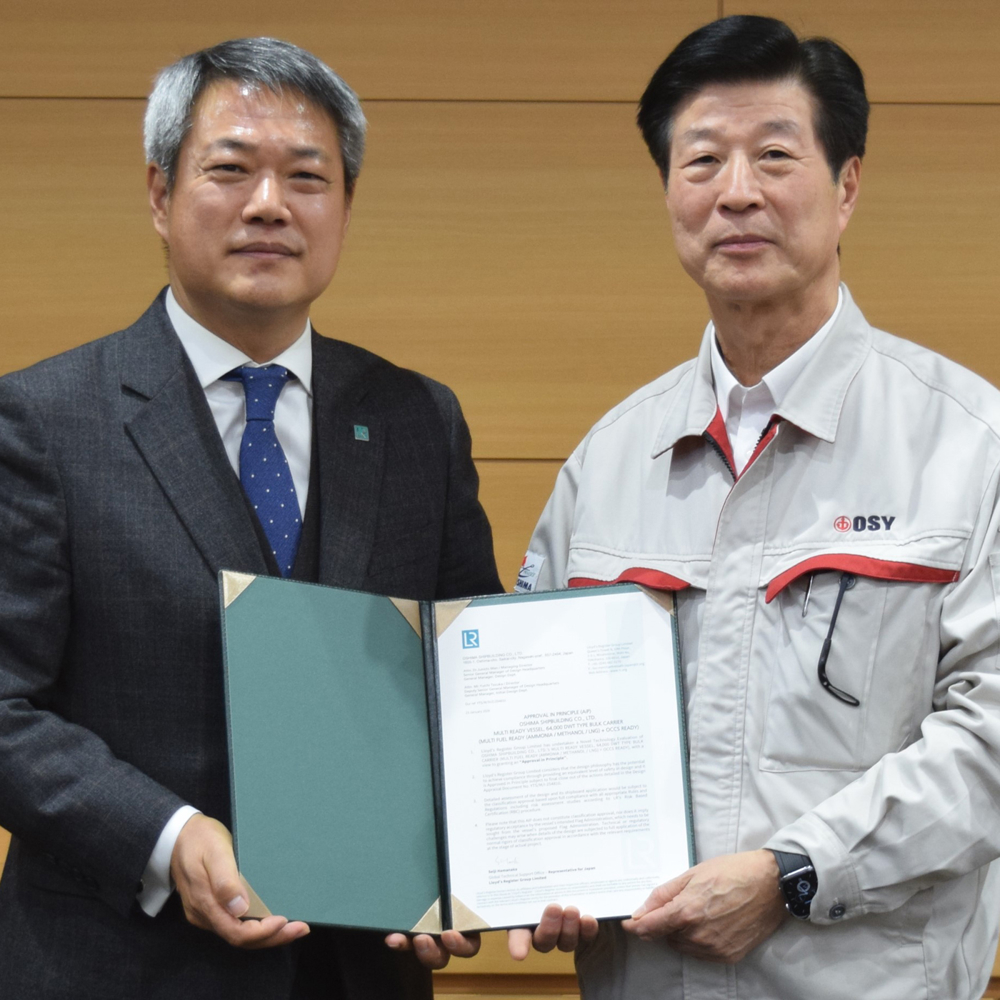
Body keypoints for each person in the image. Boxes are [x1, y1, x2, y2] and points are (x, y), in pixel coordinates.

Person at [507, 15, 1000, 999]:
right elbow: (531, 715)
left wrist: (794, 874)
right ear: (668, 192)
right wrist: (531, 864)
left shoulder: (968, 442)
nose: (736, 191)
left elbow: (989, 739)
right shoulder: (609, 459)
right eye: (701, 161)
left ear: (846, 186)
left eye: (774, 156)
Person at [0, 37, 499, 1000]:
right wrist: (166, 836)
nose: (269, 205)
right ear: (160, 194)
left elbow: (469, 677)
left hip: (361, 971)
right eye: (230, 170)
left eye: (307, 177)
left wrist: (470, 865)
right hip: (119, 967)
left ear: (345, 206)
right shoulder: (42, 420)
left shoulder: (416, 419)